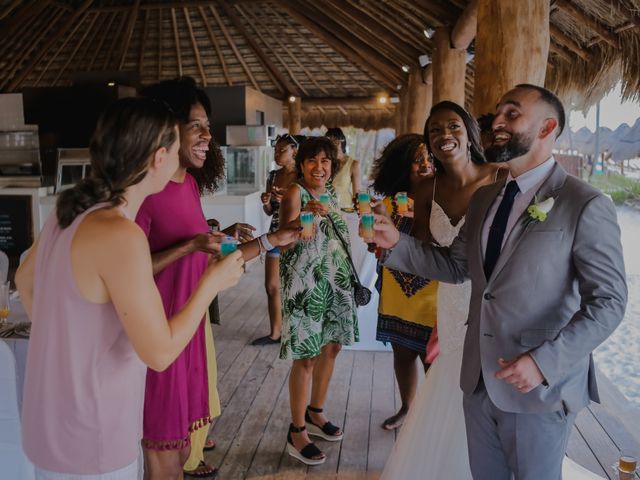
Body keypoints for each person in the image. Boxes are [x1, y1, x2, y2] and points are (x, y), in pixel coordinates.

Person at [373, 86, 626, 480]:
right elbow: (456, 267)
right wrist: (396, 245)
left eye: (512, 113)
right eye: (497, 113)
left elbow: (608, 302)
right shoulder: (486, 198)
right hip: (476, 381)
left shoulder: (586, 204)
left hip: (538, 388)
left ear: (547, 128)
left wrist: (544, 363)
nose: (498, 122)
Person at [16, 97, 245, 478]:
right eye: (174, 148)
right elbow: (159, 353)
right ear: (159, 158)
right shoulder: (121, 234)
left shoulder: (67, 213)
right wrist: (211, 283)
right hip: (95, 435)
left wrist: (68, 348)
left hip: (50, 424)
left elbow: (25, 279)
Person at [138, 78, 300, 479]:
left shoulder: (188, 184)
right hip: (157, 337)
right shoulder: (142, 191)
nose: (208, 136)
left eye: (208, 126)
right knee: (163, 460)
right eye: (197, 125)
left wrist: (270, 240)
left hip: (189, 330)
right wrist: (190, 245)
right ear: (166, 127)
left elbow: (212, 262)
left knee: (177, 456)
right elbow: (131, 271)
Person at [278, 137, 359, 465]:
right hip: (304, 282)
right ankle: (296, 431)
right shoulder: (295, 192)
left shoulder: (334, 193)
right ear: (301, 164)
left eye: (325, 161)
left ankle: (316, 412)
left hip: (334, 279)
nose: (319, 167)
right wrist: (302, 218)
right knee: (307, 355)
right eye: (312, 160)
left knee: (332, 346)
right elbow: (282, 242)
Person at [369, 134, 438, 430]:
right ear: (402, 165)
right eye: (417, 159)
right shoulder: (386, 202)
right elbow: (380, 247)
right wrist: (376, 240)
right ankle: (408, 408)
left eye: (429, 159)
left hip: (432, 292)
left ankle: (433, 418)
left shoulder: (444, 198)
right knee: (402, 353)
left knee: (433, 359)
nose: (425, 164)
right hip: (396, 291)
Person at [251, 133, 299, 346]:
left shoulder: (303, 176)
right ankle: (275, 333)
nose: (277, 154)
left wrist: (287, 199)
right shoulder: (273, 176)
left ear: (294, 151)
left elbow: (308, 207)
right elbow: (271, 211)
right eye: (276, 150)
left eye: (282, 150)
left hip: (298, 235)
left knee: (297, 285)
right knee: (272, 286)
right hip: (275, 232)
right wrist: (266, 201)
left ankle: (298, 331)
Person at [325, 127, 361, 210]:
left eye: (336, 141)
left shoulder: (353, 164)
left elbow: (357, 195)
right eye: (329, 142)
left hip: (345, 208)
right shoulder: (325, 162)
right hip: (326, 208)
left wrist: (358, 210)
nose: (333, 144)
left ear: (341, 142)